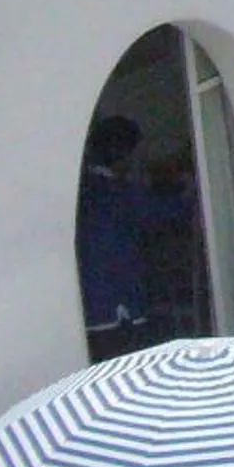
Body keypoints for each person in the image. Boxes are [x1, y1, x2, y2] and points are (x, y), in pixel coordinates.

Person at [75, 115, 195, 361]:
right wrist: (190, 187)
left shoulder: (84, 192)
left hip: (91, 309)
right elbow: (170, 211)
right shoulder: (119, 194)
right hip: (119, 307)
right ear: (122, 154)